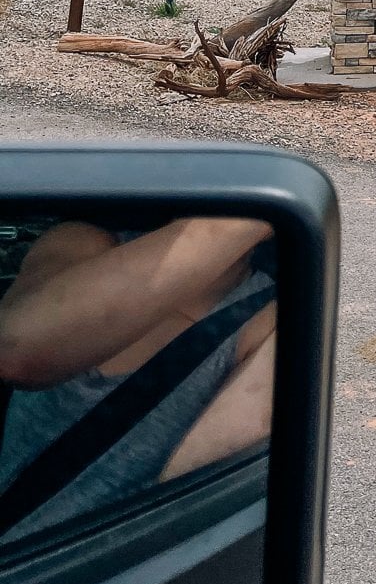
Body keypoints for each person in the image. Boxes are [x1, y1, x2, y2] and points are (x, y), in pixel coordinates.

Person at [0, 216, 276, 543]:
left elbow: (186, 501)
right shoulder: (80, 242)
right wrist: (256, 208)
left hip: (107, 578)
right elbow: (18, 350)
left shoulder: (270, 319)